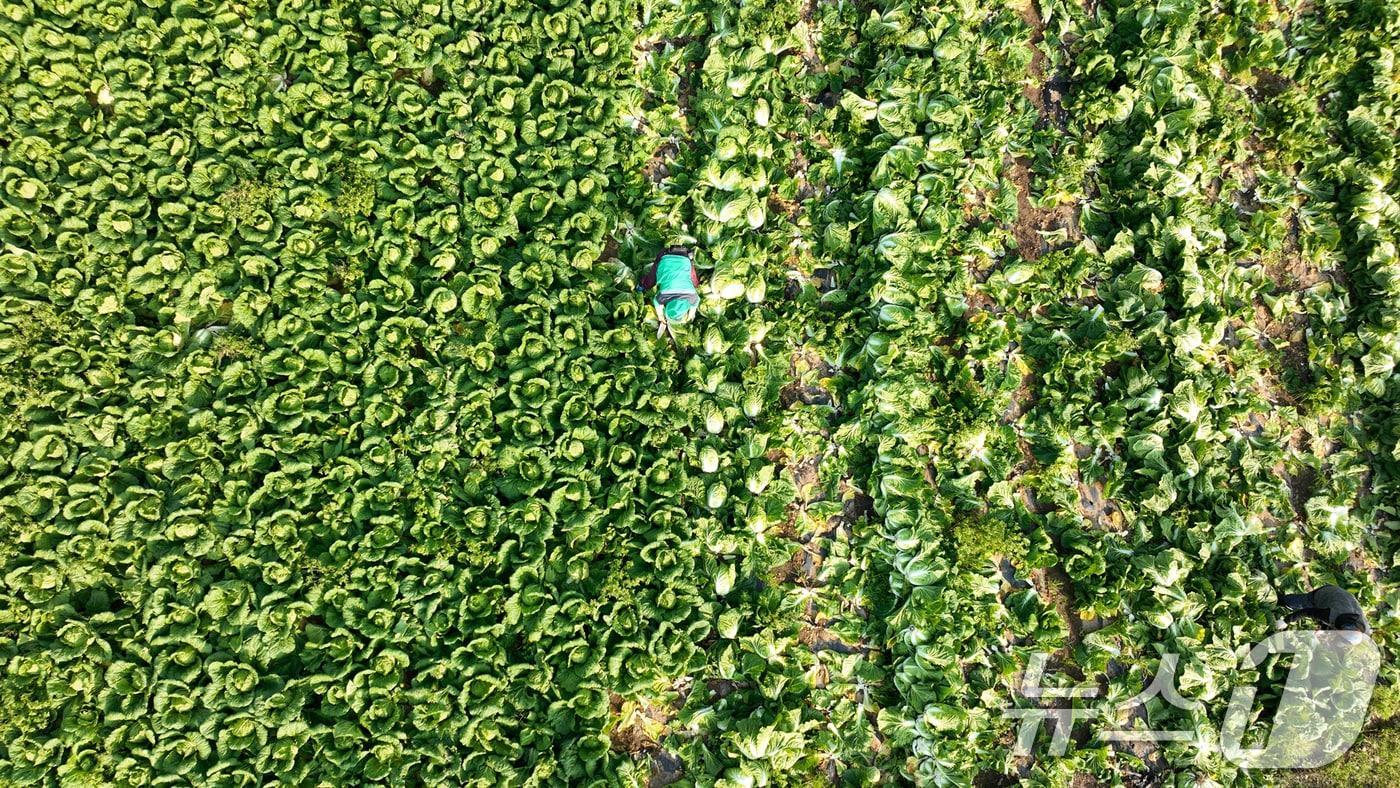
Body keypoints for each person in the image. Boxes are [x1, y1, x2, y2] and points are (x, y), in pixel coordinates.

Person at [638, 246, 699, 329]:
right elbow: (657, 304)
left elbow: (693, 308)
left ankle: (642, 286)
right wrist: (661, 317)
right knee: (650, 281)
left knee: (695, 284)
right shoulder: (663, 296)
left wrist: (691, 315)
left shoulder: (693, 297)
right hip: (665, 256)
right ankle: (641, 286)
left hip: (684, 258)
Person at [1278, 585, 1371, 634]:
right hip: (1327, 593)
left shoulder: (1364, 629)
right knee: (1302, 602)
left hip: (1346, 598)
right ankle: (1279, 600)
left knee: (1322, 615)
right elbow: (1307, 612)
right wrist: (1286, 621)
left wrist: (1323, 630)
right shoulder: (1332, 614)